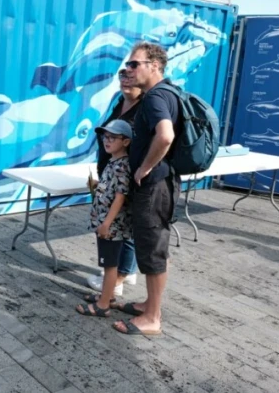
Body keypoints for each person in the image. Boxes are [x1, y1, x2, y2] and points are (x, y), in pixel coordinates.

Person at [112, 42, 180, 336]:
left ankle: (152, 317)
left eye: (134, 64)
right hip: (161, 184)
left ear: (154, 66)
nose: (128, 69)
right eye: (127, 65)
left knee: (152, 251)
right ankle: (149, 304)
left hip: (154, 186)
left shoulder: (155, 98)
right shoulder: (170, 92)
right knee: (152, 247)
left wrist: (144, 167)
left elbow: (165, 136)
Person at [86, 69, 142, 297]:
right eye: (122, 76)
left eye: (130, 76)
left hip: (124, 177)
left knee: (122, 232)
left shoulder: (145, 107)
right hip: (110, 171)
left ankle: (116, 281)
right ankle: (121, 273)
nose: (125, 80)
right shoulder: (121, 103)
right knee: (121, 233)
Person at [77, 119, 133, 318]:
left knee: (109, 266)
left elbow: (121, 195)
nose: (106, 141)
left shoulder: (121, 166)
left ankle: (103, 305)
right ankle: (106, 295)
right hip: (105, 222)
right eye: (105, 137)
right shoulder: (114, 161)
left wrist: (107, 223)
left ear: (125, 142)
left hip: (111, 226)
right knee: (108, 263)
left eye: (112, 138)